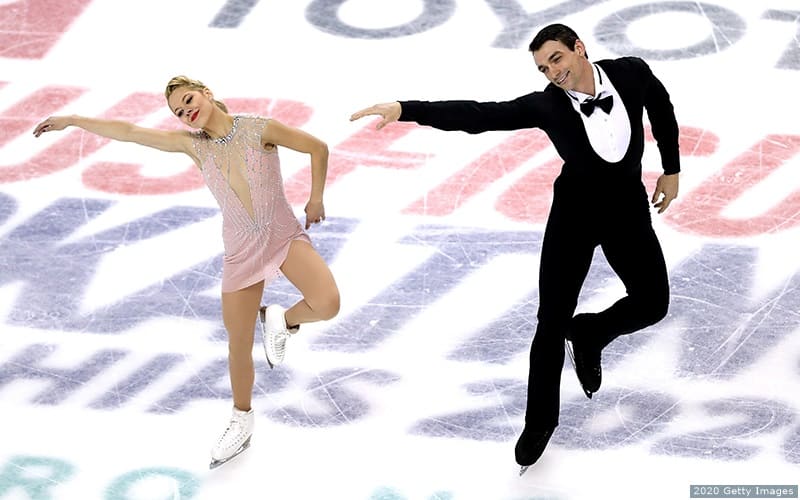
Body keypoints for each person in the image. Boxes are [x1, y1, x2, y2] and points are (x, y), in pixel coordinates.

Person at [350, 23, 679, 475]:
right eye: (544, 68)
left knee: (653, 303)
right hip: (575, 217)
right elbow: (478, 116)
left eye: (556, 59)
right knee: (551, 321)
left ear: (579, 48)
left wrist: (671, 169)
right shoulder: (548, 106)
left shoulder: (630, 73)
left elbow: (661, 105)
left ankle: (591, 334)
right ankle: (539, 421)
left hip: (626, 211)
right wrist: (406, 109)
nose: (553, 72)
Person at [33, 75, 340, 469]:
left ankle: (283, 319)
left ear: (207, 94)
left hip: (283, 236)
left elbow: (317, 147)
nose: (186, 112)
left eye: (189, 101)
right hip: (242, 252)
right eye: (179, 111)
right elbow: (131, 132)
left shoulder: (258, 128)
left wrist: (316, 198)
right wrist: (75, 120)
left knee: (327, 303)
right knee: (239, 344)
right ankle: (241, 419)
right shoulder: (194, 146)